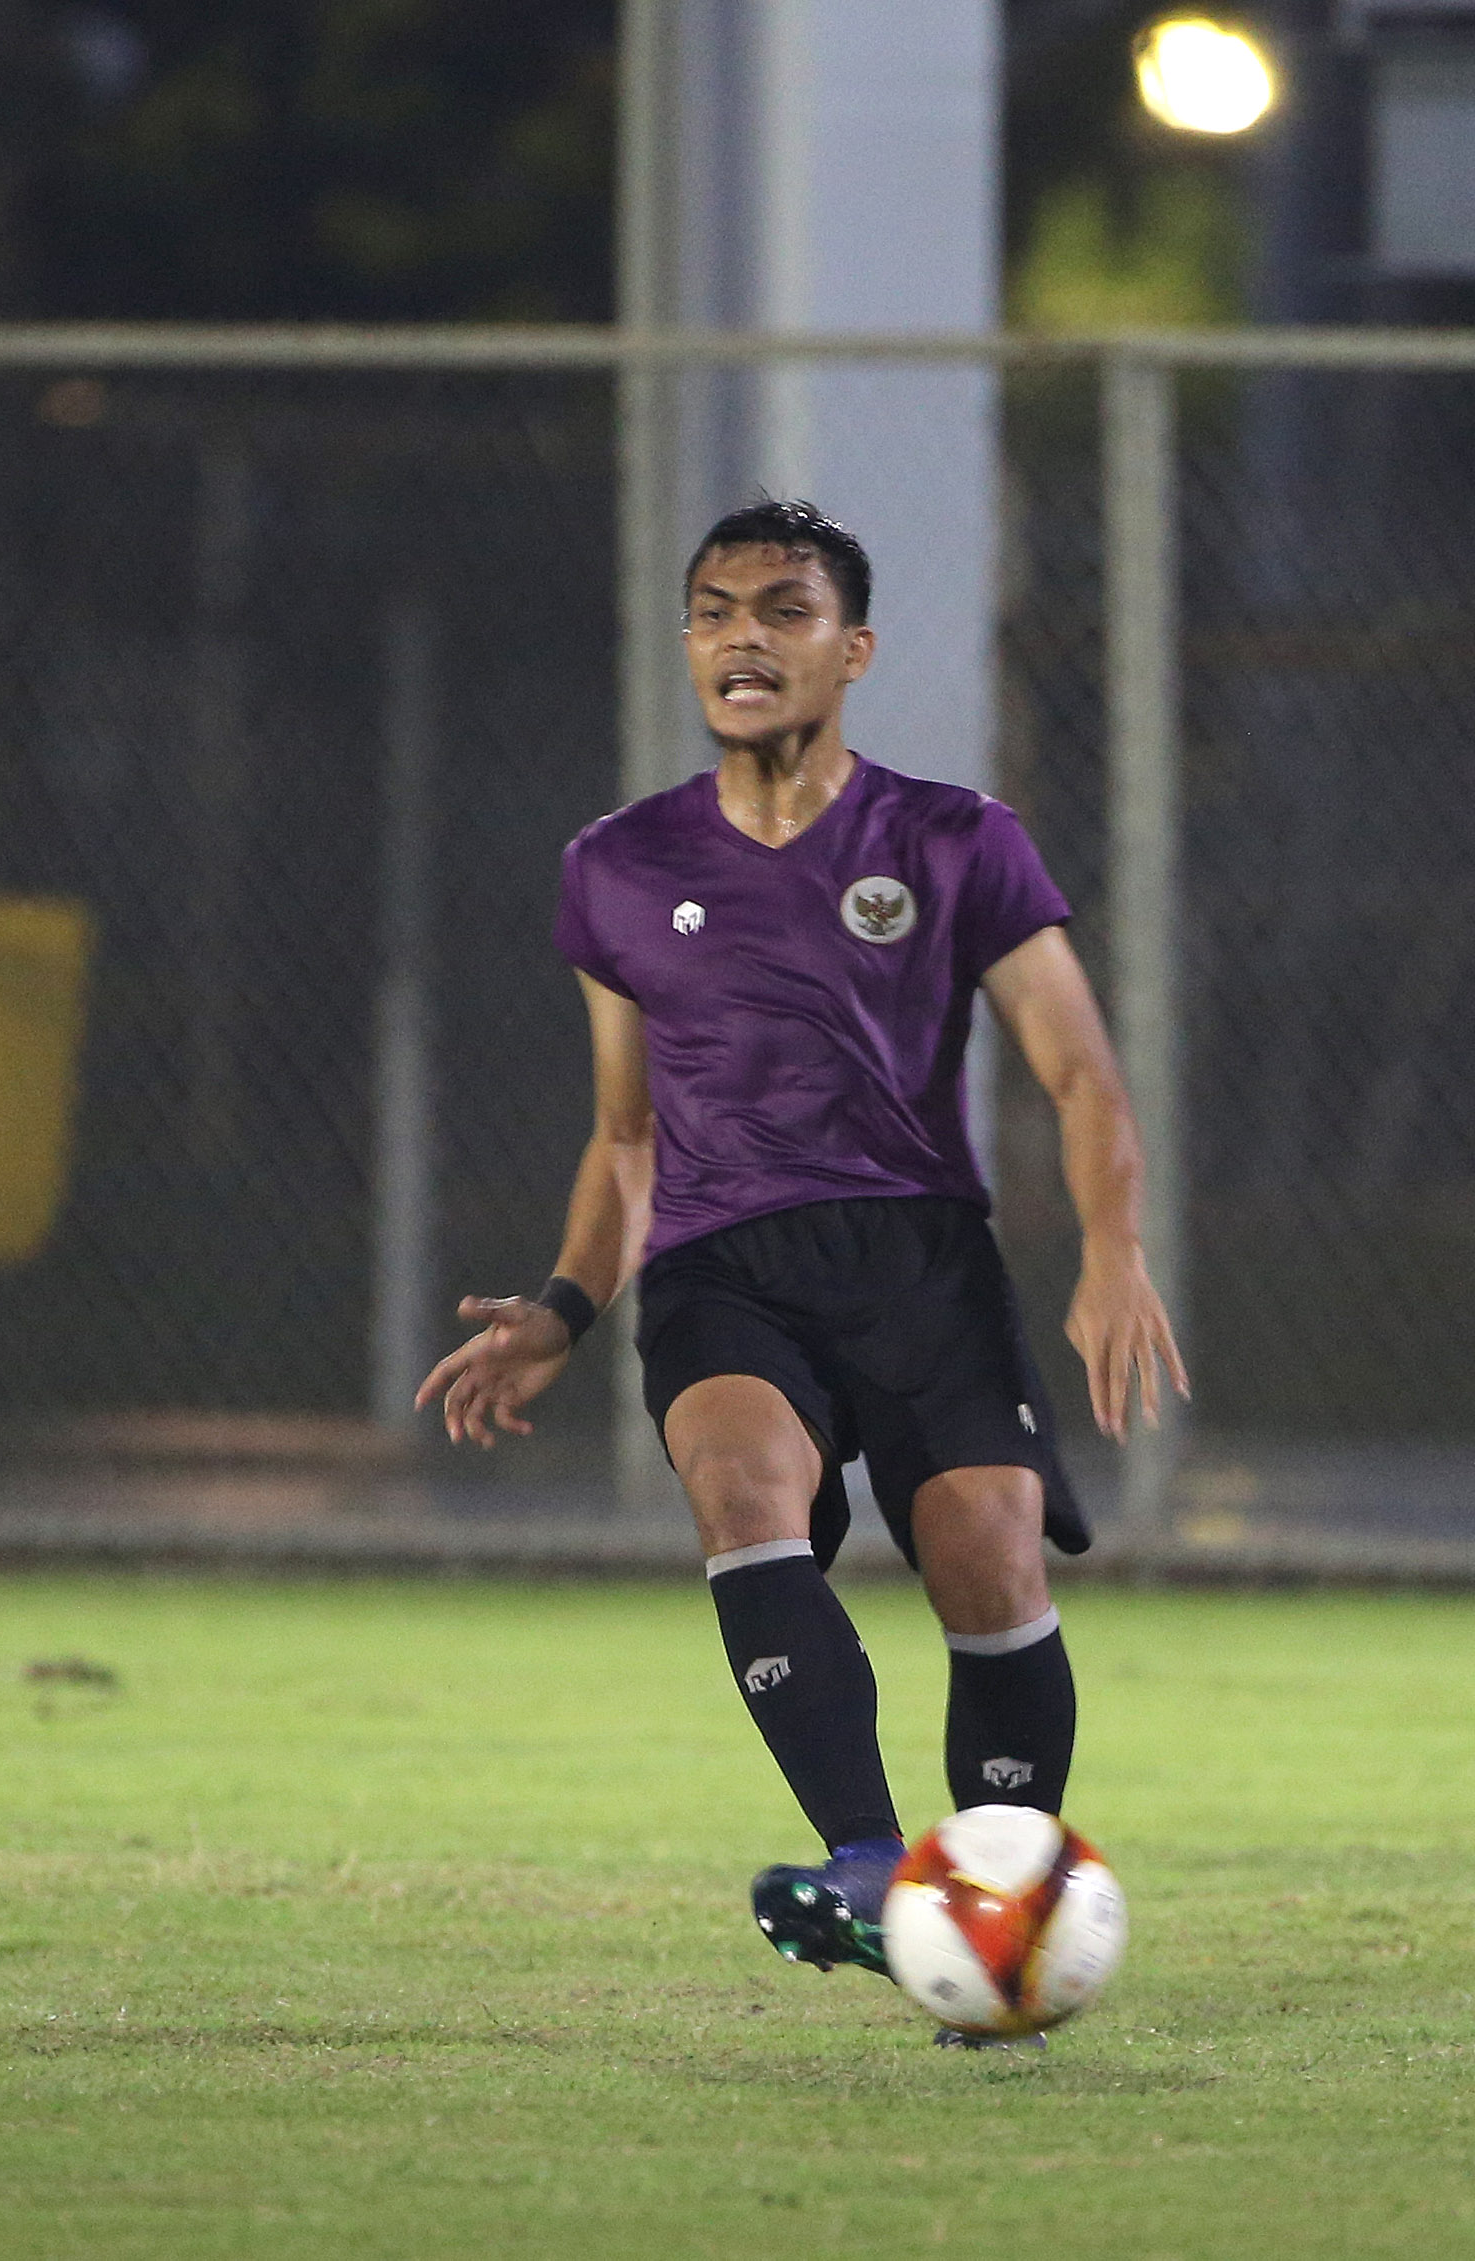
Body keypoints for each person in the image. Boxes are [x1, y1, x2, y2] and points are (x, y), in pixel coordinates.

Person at [418, 498, 1187, 2022]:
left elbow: (1083, 1074)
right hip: (723, 1264)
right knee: (746, 1491)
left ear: (854, 649)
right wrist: (569, 1303)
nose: (741, 640)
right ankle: (858, 1858)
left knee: (989, 1559)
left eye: (781, 610)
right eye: (713, 611)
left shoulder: (957, 839)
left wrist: (1112, 1254)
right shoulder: (619, 866)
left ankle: (999, 1892)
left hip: (919, 1261)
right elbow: (628, 1134)